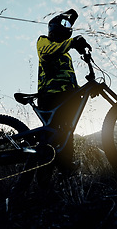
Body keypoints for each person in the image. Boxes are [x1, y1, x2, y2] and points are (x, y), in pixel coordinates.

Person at [36, 9, 92, 174]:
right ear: (54, 27)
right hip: (50, 95)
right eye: (65, 23)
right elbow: (47, 53)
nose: (68, 27)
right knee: (50, 136)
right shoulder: (43, 41)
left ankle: (65, 172)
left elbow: (68, 77)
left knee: (68, 132)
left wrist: (81, 90)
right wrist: (73, 43)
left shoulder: (65, 53)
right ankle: (43, 177)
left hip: (67, 96)